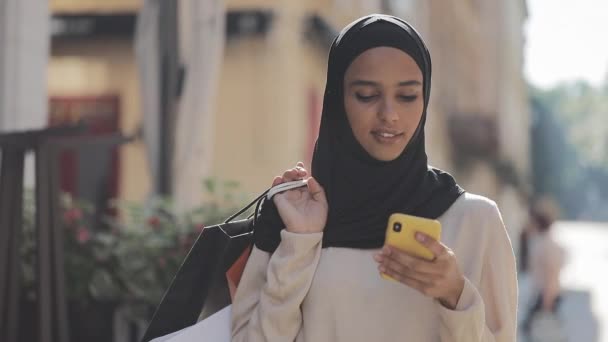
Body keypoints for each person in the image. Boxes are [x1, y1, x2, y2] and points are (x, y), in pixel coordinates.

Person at [231, 14, 518, 341]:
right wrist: (299, 244)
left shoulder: (475, 222)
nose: (389, 114)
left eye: (408, 96)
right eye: (367, 95)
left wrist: (455, 294)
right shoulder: (292, 216)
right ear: (337, 100)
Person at [521, 197, 564, 335]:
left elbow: (552, 273)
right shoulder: (541, 241)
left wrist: (547, 301)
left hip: (545, 296)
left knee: (539, 332)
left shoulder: (546, 244)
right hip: (542, 294)